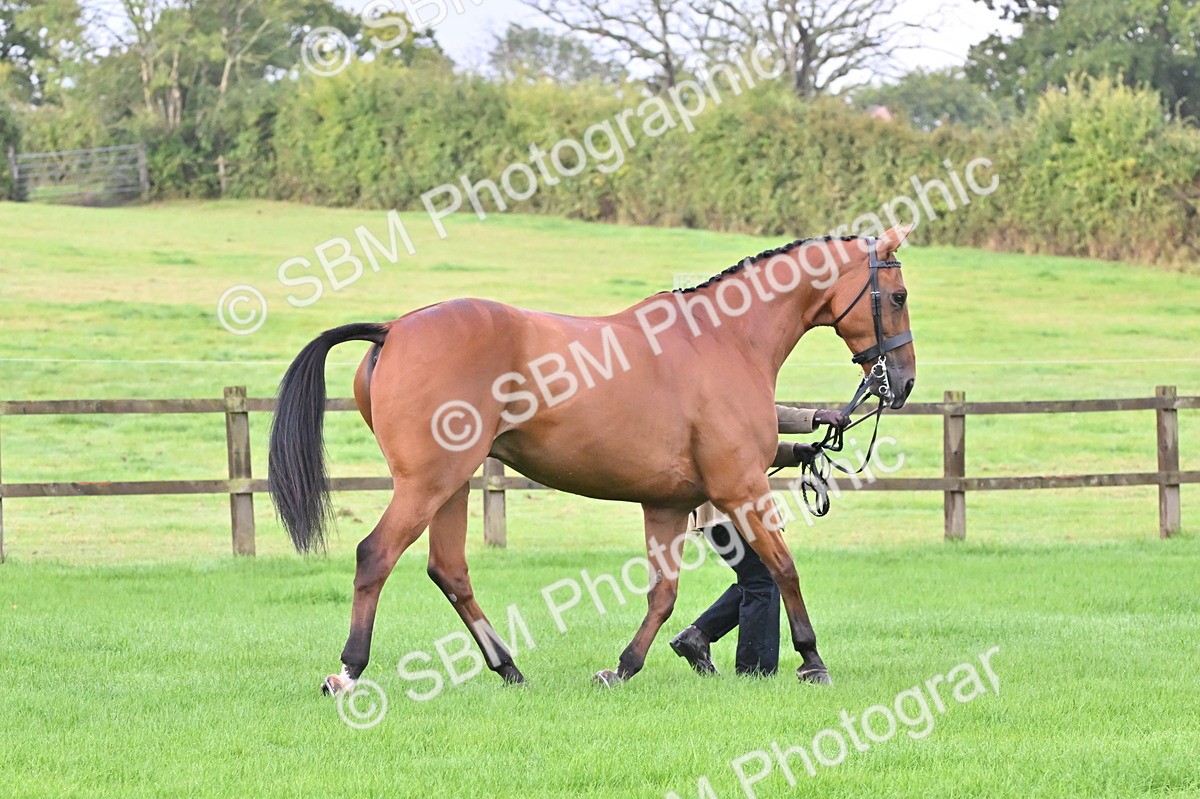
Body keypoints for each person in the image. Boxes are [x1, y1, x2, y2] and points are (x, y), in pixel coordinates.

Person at [669, 406, 849, 676]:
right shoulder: (725, 390)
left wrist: (793, 451)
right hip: (728, 511)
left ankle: (698, 637)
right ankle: (754, 672)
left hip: (726, 512)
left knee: (758, 579)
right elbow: (759, 416)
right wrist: (816, 417)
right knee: (766, 578)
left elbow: (748, 444)